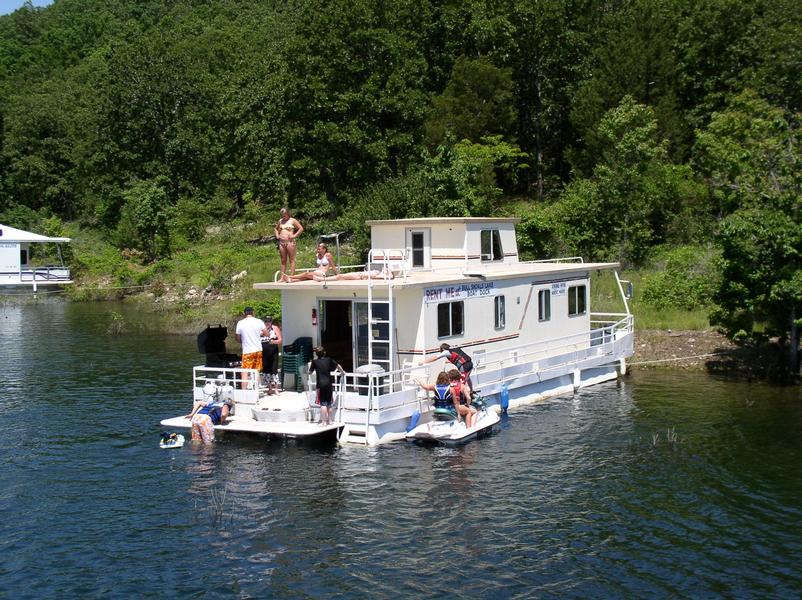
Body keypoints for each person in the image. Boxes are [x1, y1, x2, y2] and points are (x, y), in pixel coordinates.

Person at [185, 375, 235, 443]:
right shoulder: (226, 405)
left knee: (196, 441)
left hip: (196, 417)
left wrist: (191, 414)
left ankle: (195, 452)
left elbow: (199, 402)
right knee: (208, 443)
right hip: (205, 420)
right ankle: (208, 453)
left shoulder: (212, 403)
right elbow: (223, 414)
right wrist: (222, 422)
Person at [308, 346, 345, 425]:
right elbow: (338, 366)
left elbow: (310, 372)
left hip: (320, 385)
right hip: (328, 384)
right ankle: (330, 421)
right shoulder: (328, 360)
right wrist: (342, 372)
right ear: (324, 352)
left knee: (323, 404)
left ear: (316, 354)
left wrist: (309, 370)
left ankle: (324, 422)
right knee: (329, 403)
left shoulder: (314, 362)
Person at [235, 307, 267, 389]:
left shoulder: (240, 323)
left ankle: (244, 392)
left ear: (244, 313)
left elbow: (238, 338)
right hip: (257, 350)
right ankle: (256, 390)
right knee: (256, 371)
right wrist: (259, 334)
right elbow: (267, 334)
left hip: (247, 351)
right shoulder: (259, 321)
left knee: (245, 372)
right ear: (253, 312)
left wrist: (243, 341)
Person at [275, 207, 304, 277]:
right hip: (281, 242)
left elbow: (301, 228)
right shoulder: (280, 221)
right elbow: (276, 229)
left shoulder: (292, 220)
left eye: (284, 214)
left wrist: (294, 236)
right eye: (282, 215)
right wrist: (277, 235)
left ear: (288, 213)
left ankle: (292, 276)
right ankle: (282, 277)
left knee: (291, 259)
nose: (283, 216)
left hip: (290, 242)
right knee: (283, 260)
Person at [260, 316, 282, 395]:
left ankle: (276, 388)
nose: (267, 323)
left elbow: (280, 340)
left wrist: (273, 342)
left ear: (271, 322)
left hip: (273, 351)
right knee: (266, 370)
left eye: (269, 321)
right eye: (266, 321)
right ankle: (269, 388)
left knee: (274, 369)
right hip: (264, 352)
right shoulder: (261, 329)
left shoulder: (275, 328)